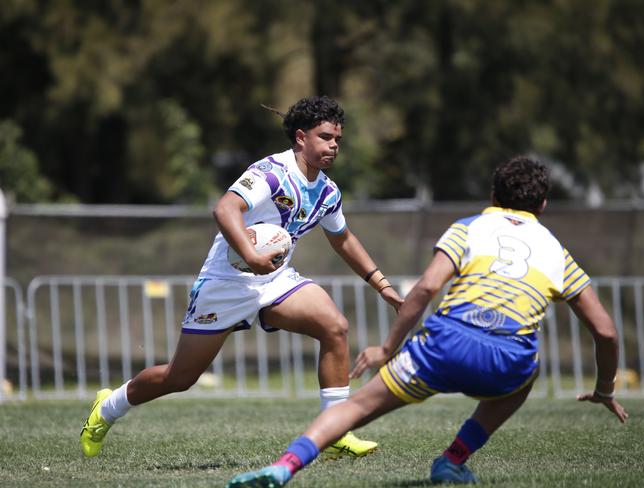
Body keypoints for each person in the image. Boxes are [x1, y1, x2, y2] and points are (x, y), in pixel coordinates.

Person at [226, 155, 629, 487]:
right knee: (527, 374)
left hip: (444, 346)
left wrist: (387, 349)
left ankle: (285, 467)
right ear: (543, 206)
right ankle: (453, 460)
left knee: (355, 408)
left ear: (493, 195)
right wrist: (605, 389)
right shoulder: (556, 251)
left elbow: (423, 290)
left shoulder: (469, 228)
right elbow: (606, 332)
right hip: (508, 359)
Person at [80, 96, 403, 459]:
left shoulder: (327, 192)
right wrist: (251, 255)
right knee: (180, 378)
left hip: (275, 281)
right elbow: (225, 208)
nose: (333, 146)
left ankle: (335, 432)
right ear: (301, 137)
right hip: (226, 283)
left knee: (335, 326)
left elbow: (343, 239)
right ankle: (106, 408)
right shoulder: (270, 173)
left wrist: (383, 285)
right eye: (326, 137)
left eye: (337, 140)